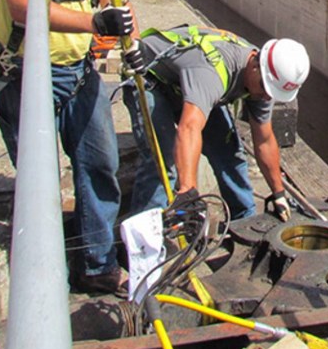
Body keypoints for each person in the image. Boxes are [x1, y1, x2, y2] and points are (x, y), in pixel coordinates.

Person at [0, 0, 147, 296]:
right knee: (37, 180)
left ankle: (97, 266)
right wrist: (94, 22)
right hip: (25, 72)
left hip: (78, 71)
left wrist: (124, 33)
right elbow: (20, 5)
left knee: (100, 165)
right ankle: (44, 273)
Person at [122, 25, 310, 222]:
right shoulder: (213, 72)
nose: (265, 96)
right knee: (162, 161)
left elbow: (264, 139)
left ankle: (244, 222)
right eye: (265, 88)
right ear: (256, 66)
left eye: (272, 93)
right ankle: (144, 241)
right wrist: (188, 191)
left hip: (187, 86)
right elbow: (189, 127)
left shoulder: (264, 79)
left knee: (229, 153)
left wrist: (278, 192)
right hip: (149, 78)